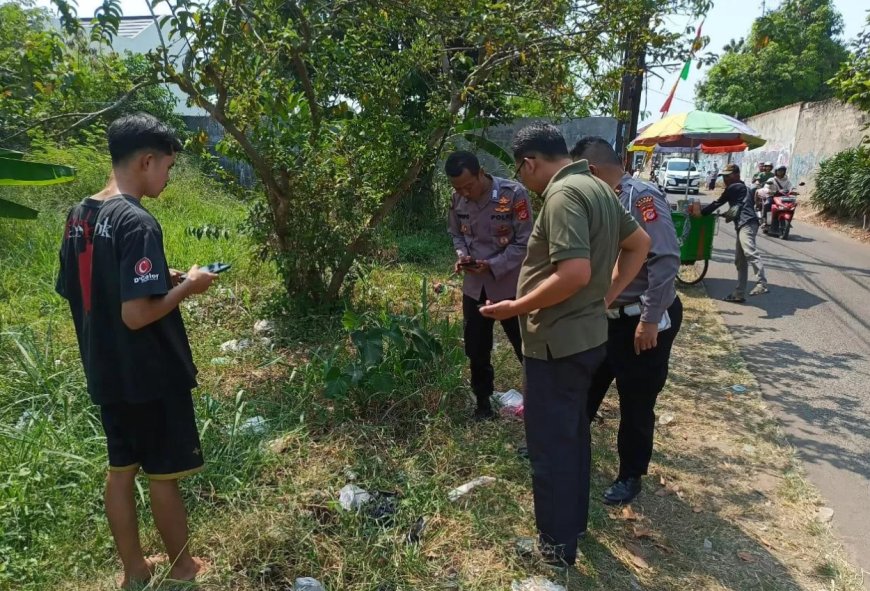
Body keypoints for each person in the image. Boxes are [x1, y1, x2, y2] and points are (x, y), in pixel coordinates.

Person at [55, 113, 216, 589]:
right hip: (149, 373)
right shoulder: (137, 222)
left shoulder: (80, 216)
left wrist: (154, 285)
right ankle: (183, 569)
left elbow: (81, 291)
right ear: (146, 160)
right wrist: (189, 286)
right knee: (163, 475)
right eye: (167, 167)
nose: (167, 177)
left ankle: (134, 571)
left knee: (120, 471)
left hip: (105, 371)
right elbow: (136, 315)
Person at [480, 123, 651, 567]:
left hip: (556, 345)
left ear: (529, 162)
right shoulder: (598, 188)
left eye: (521, 173)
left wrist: (517, 307)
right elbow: (639, 245)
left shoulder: (561, 196)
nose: (524, 182)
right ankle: (570, 526)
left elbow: (572, 273)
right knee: (571, 437)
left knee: (551, 446)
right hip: (585, 338)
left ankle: (556, 547)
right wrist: (605, 297)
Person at [570, 137, 683, 505]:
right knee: (586, 385)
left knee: (635, 402)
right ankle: (566, 448)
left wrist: (650, 319)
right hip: (608, 317)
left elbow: (664, 259)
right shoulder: (604, 200)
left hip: (640, 321)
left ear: (592, 171)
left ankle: (630, 475)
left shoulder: (640, 198)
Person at [446, 150, 532, 421]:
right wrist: (462, 256)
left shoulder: (513, 195)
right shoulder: (457, 198)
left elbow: (524, 241)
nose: (464, 192)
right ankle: (483, 404)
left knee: (526, 348)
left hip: (510, 287)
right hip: (475, 289)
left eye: (468, 186)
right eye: (458, 188)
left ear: (481, 173)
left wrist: (492, 265)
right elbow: (456, 234)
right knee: (476, 349)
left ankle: (538, 404)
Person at [697, 163, 769, 302]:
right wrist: (728, 214)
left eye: (728, 176)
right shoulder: (743, 188)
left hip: (747, 223)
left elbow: (718, 203)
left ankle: (762, 283)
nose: (725, 179)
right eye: (724, 177)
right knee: (740, 261)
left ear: (736, 175)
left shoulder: (734, 187)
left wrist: (701, 212)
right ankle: (739, 294)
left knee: (749, 252)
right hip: (744, 223)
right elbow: (737, 206)